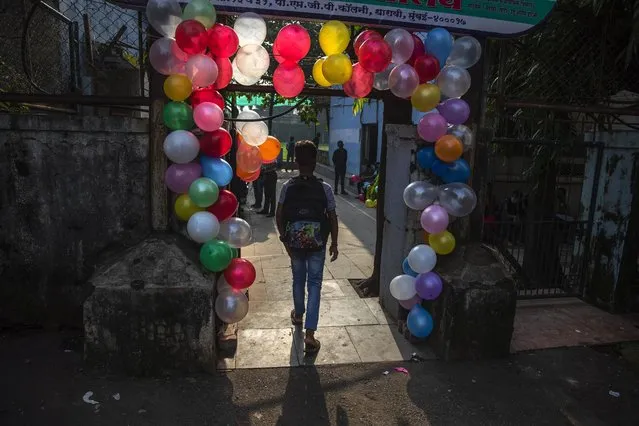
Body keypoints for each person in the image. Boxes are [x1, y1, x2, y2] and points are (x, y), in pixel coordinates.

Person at [276, 140, 339, 354]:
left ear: (295, 162)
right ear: (315, 162)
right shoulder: (325, 188)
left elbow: (279, 214)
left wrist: (285, 238)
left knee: (298, 279)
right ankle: (310, 335)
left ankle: (299, 314)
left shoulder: (287, 187)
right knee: (314, 284)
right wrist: (335, 243)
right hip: (317, 244)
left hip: (294, 243)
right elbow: (332, 216)